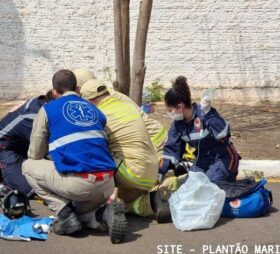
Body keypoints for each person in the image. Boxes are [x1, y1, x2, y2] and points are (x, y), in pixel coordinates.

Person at [22, 70, 128, 243]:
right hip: (107, 183)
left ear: (54, 92)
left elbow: (35, 153)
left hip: (80, 184)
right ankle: (102, 215)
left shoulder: (48, 109)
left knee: (28, 166)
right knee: (80, 211)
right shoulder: (95, 109)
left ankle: (64, 215)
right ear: (78, 89)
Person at [80, 79, 170, 222]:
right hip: (151, 172)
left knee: (90, 157)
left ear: (90, 101)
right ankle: (152, 200)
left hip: (131, 173)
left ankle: (94, 208)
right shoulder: (128, 106)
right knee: (124, 200)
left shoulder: (99, 115)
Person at [159, 75, 239, 185]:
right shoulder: (178, 125)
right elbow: (171, 152)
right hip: (203, 161)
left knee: (209, 187)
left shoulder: (205, 114)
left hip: (224, 158)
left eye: (170, 110)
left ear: (179, 107)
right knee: (189, 188)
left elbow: (224, 135)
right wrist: (160, 172)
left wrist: (209, 114)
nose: (169, 113)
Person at [73, 68, 168, 158]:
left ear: (79, 88)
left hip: (153, 141)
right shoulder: (106, 94)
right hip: (154, 136)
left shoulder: (100, 99)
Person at [0, 91, 53, 197]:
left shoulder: (42, 104)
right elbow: (44, 148)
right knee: (29, 189)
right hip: (5, 149)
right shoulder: (34, 117)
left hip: (21, 144)